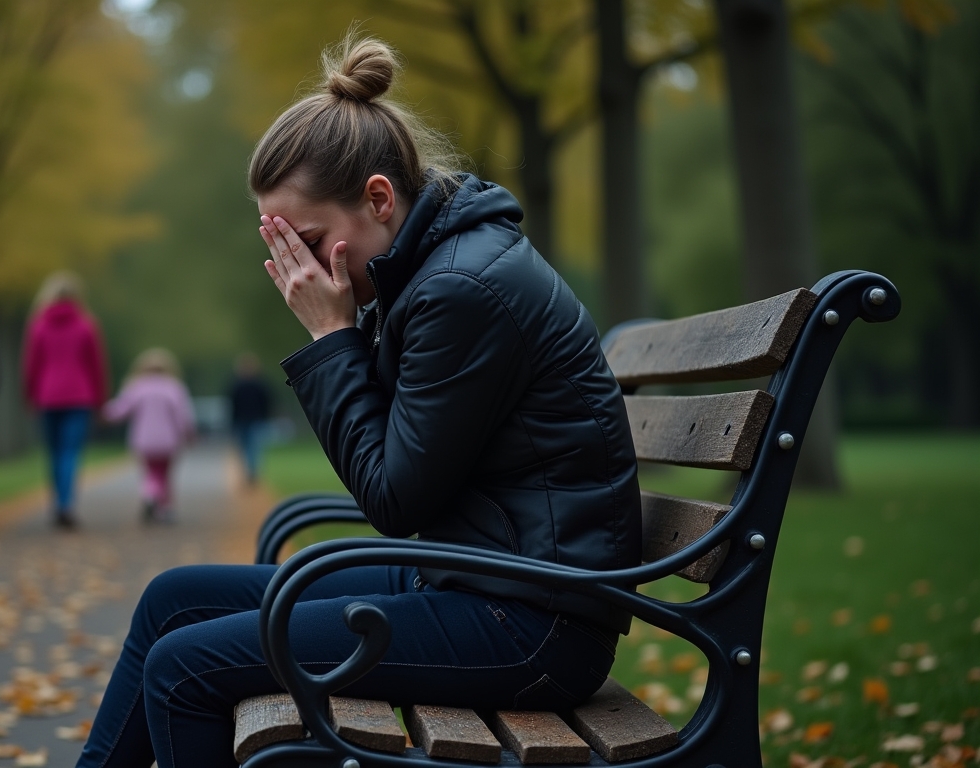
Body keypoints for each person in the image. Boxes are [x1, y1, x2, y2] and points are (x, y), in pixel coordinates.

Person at [74, 34, 640, 768]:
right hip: (478, 577)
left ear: (378, 198)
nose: (301, 268)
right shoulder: (430, 270)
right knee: (171, 602)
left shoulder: (461, 290)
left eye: (308, 241)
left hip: (531, 624)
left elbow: (392, 498)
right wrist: (344, 333)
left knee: (186, 668)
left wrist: (331, 336)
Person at [23, 272, 109, 529]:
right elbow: (97, 365)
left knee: (53, 452)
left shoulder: (38, 324)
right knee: (70, 452)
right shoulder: (87, 324)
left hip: (48, 395)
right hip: (80, 396)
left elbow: (31, 365)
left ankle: (57, 502)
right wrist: (100, 400)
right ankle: (66, 503)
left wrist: (29, 394)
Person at [101, 348, 195, 524]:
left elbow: (119, 410)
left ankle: (150, 496)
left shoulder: (136, 387)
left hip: (143, 441)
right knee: (165, 474)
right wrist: (189, 434)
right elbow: (183, 415)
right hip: (169, 441)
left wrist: (101, 412)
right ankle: (163, 508)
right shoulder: (174, 388)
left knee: (151, 473)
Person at [227, 353, 272, 486]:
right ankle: (251, 472)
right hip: (248, 420)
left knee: (250, 447)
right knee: (250, 447)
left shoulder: (238, 384)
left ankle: (251, 472)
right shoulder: (258, 384)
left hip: (250, 420)